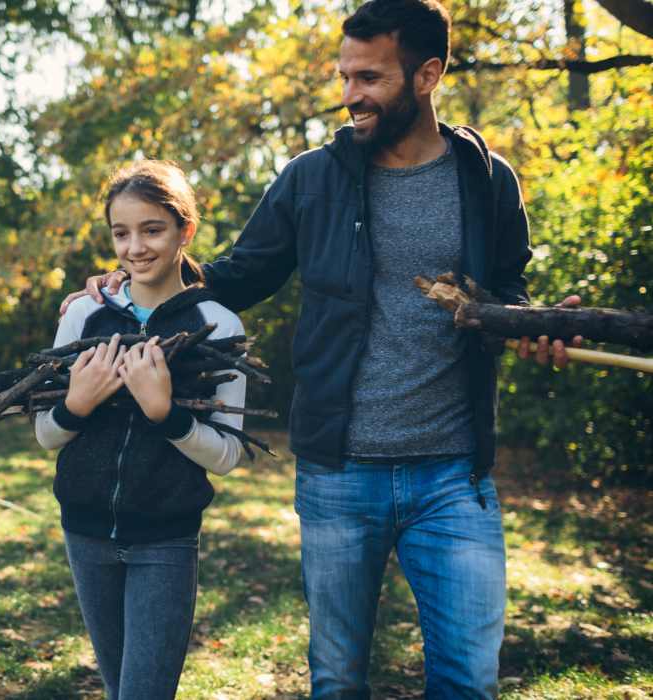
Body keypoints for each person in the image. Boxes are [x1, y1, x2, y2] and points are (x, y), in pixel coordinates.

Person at [60, 2, 583, 698]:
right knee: (337, 681)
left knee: (468, 680)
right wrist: (131, 281)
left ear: (428, 75)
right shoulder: (312, 178)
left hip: (456, 473)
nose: (349, 95)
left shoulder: (487, 179)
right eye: (344, 75)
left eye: (369, 77)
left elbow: (506, 294)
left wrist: (533, 325)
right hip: (340, 474)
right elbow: (237, 275)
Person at [35, 159, 248, 699]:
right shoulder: (84, 315)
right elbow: (46, 435)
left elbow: (227, 455)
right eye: (121, 233)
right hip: (84, 534)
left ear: (185, 231)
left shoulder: (219, 325)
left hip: (165, 540)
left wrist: (167, 416)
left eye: (152, 229)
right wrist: (75, 405)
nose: (135, 248)